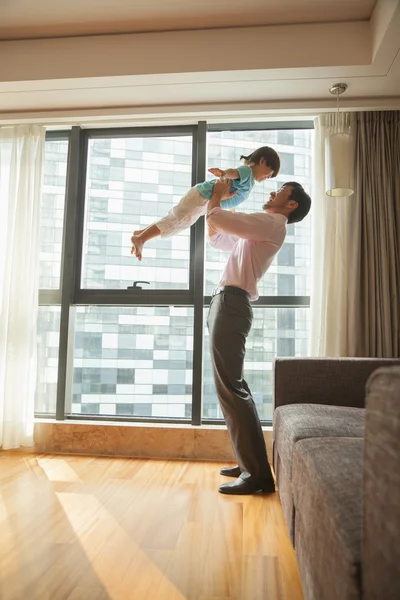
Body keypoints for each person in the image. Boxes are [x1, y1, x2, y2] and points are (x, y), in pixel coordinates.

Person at [206, 178, 311, 495]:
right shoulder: (261, 228)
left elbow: (215, 218)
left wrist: (215, 196)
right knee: (233, 386)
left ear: (290, 205)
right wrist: (218, 205)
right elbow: (218, 238)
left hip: (232, 303)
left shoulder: (271, 223)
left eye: (280, 192)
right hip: (226, 302)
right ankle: (248, 462)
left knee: (231, 388)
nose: (272, 192)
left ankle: (258, 476)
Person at [130, 146, 280, 260]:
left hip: (204, 200)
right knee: (178, 221)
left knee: (176, 220)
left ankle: (141, 234)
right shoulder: (247, 172)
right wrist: (223, 173)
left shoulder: (250, 181)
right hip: (203, 198)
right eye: (270, 173)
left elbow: (233, 194)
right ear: (262, 161)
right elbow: (234, 172)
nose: (268, 177)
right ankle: (141, 238)